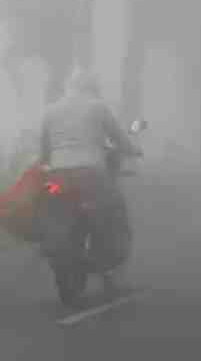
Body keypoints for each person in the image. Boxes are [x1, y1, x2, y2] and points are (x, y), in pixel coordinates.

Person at [39, 69, 141, 292]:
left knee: (54, 209)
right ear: (92, 88)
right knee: (114, 215)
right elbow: (120, 139)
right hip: (92, 176)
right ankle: (108, 266)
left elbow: (44, 152)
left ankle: (56, 251)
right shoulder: (98, 107)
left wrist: (50, 166)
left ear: (68, 87)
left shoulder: (50, 111)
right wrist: (134, 150)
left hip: (58, 179)